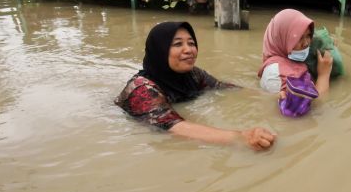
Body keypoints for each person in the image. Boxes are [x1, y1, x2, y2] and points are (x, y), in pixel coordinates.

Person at [116, 21, 276, 151]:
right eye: (178, 44)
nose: (189, 50)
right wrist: (241, 137)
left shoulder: (193, 74)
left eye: (191, 43)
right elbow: (173, 126)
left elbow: (223, 88)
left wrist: (273, 97)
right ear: (160, 50)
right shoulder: (142, 89)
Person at [258, 9, 333, 98]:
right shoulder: (276, 76)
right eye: (299, 38)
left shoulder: (290, 58)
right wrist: (324, 75)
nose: (306, 43)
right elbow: (314, 105)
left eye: (308, 35)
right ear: (282, 38)